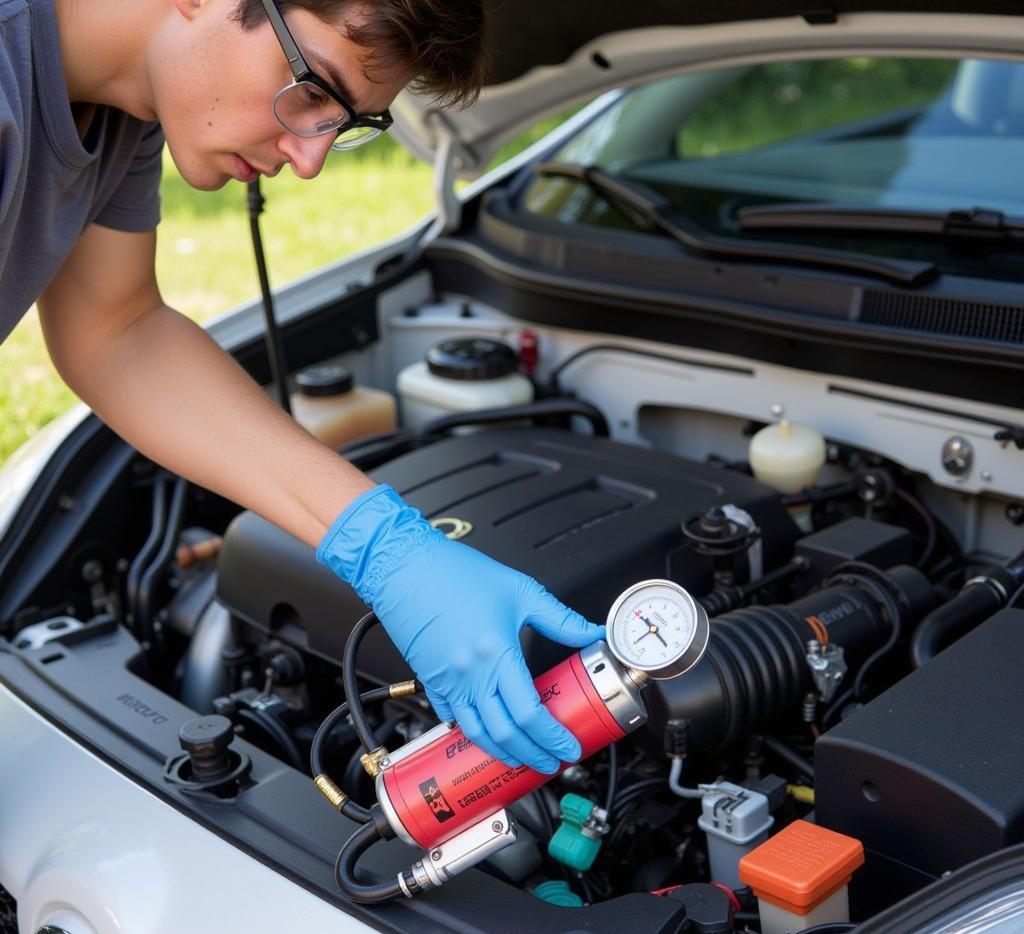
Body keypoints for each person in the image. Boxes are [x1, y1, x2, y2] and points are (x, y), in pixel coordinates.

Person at [0, 0, 604, 775]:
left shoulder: (127, 106)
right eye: (313, 89)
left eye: (345, 121)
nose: (311, 160)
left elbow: (116, 332)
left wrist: (390, 548)